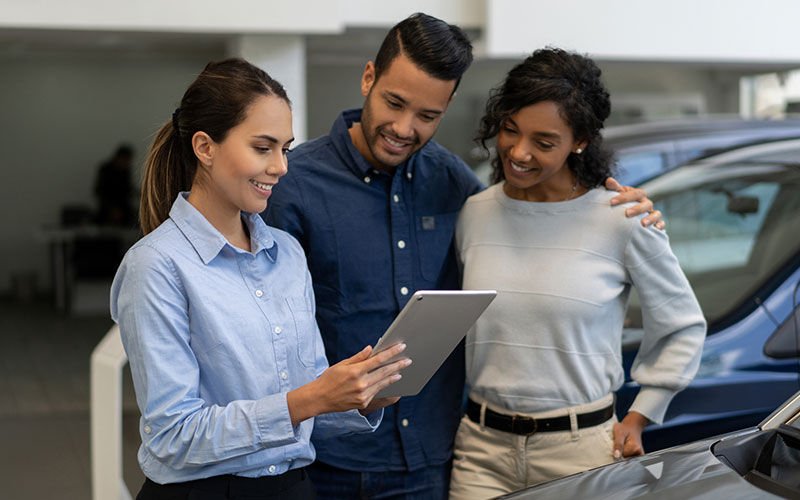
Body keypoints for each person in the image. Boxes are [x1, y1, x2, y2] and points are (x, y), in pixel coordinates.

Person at [265, 13, 663, 500]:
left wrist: (609, 204)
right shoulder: (291, 186)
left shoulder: (456, 186)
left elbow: (532, 225)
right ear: (368, 78)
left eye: (428, 116)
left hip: (436, 461)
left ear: (448, 106)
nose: (404, 128)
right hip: (328, 462)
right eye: (394, 102)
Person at [110, 58, 410, 500]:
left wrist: (357, 398)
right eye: (263, 147)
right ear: (205, 147)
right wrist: (309, 400)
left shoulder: (287, 253)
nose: (281, 167)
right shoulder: (155, 266)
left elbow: (304, 402)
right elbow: (173, 436)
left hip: (294, 489)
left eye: (285, 148)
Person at [448, 48, 707, 499]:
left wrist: (643, 412)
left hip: (581, 452)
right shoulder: (475, 213)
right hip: (480, 452)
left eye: (544, 142)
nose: (519, 152)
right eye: (510, 130)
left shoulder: (620, 219)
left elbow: (682, 325)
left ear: (580, 140)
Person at [94, 143, 136, 226]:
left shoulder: (125, 171)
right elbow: (101, 191)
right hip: (107, 209)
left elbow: (127, 189)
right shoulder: (106, 170)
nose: (127, 162)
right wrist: (112, 209)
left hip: (123, 208)